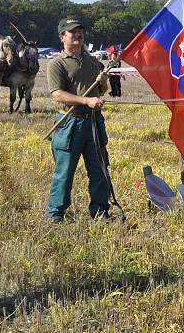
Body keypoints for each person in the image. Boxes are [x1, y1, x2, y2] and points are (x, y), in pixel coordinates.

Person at [45, 17, 111, 223]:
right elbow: (57, 94)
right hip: (69, 123)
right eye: (72, 31)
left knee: (100, 171)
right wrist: (86, 100)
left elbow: (102, 91)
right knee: (64, 173)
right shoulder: (57, 64)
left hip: (93, 123)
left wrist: (103, 83)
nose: (78, 35)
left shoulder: (93, 61)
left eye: (80, 31)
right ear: (62, 37)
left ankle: (100, 212)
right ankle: (55, 215)